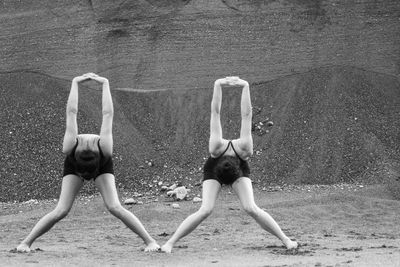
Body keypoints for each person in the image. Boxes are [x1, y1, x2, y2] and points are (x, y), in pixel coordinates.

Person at [16, 73, 160, 252]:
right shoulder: (69, 147)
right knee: (61, 210)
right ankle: (25, 243)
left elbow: (108, 113)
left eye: (88, 177)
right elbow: (71, 112)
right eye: (83, 177)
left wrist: (105, 83)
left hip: (101, 162)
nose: (87, 181)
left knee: (115, 206)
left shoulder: (105, 149)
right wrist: (75, 82)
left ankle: (150, 241)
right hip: (75, 163)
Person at [161, 77, 298, 253]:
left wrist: (245, 86)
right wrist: (218, 84)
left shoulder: (244, 149)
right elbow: (215, 113)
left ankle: (286, 240)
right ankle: (170, 243)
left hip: (240, 171)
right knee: (205, 210)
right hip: (213, 170)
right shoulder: (216, 147)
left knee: (251, 208)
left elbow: (247, 115)